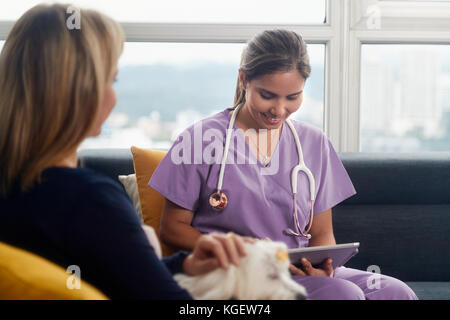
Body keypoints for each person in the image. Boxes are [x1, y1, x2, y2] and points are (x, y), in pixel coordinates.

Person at [0, 4, 248, 300]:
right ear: (81, 91)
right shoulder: (90, 203)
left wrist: (183, 265)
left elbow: (111, 277)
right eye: (112, 80)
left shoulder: (18, 189)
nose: (114, 96)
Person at [149, 30, 418, 300]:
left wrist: (324, 267)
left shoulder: (314, 143)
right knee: (342, 295)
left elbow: (323, 235)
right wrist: (241, 250)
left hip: (297, 269)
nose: (279, 110)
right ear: (244, 79)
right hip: (236, 271)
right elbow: (172, 228)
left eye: (292, 97)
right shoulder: (199, 139)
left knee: (396, 293)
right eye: (268, 95)